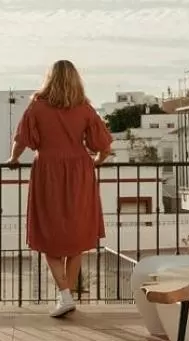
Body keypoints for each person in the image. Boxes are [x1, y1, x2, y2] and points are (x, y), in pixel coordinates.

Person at [6, 60, 115, 318]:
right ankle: (67, 296)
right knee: (76, 237)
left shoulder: (37, 106)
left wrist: (12, 160)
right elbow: (104, 147)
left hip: (48, 171)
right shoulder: (84, 108)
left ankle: (64, 295)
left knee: (48, 234)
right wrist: (95, 163)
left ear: (49, 78)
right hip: (80, 172)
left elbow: (21, 140)